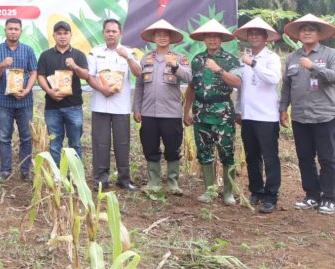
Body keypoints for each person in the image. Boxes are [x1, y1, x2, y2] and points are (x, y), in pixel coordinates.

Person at [280, 14, 335, 215]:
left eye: (311, 29)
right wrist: (282, 108)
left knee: (328, 158)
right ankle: (312, 195)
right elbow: (286, 86)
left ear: (319, 33)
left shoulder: (330, 54)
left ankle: (329, 198)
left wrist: (314, 67)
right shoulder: (292, 58)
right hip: (300, 116)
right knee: (304, 157)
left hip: (325, 115)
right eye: (303, 29)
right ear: (299, 35)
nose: (307, 32)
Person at [183, 19, 242, 204]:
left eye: (216, 36)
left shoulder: (230, 60)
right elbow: (192, 87)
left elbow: (237, 82)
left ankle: (228, 192)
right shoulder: (197, 60)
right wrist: (186, 112)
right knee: (204, 152)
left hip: (222, 113)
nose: (213, 39)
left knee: (226, 153)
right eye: (209, 36)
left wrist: (219, 70)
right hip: (201, 112)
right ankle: (209, 190)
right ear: (204, 39)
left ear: (222, 39)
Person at [133, 19, 191, 195]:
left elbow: (189, 78)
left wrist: (175, 66)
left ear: (171, 38)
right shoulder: (146, 59)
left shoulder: (180, 58)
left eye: (166, 35)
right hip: (149, 111)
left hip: (171, 112)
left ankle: (173, 183)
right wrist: (137, 107)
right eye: (159, 34)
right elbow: (139, 85)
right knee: (150, 146)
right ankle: (154, 182)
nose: (162, 37)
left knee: (173, 147)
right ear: (154, 38)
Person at [233, 17, 283, 213]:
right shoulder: (243, 59)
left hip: (267, 117)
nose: (253, 36)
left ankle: (271, 195)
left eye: (258, 33)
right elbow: (241, 87)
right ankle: (256, 191)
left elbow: (273, 79)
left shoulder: (271, 58)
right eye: (250, 33)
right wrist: (239, 110)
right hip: (248, 116)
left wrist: (253, 63)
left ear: (266, 37)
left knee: (270, 158)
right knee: (252, 156)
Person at [86, 19, 142, 191]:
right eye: (108, 31)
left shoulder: (129, 52)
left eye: (114, 31)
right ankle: (101, 181)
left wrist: (127, 57)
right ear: (103, 33)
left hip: (121, 107)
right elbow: (89, 76)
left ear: (120, 33)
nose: (110, 34)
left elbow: (138, 73)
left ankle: (124, 180)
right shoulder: (95, 53)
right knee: (100, 144)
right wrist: (102, 89)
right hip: (100, 105)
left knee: (122, 143)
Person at [0, 18, 38, 181]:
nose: (13, 31)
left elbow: (33, 72)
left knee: (26, 137)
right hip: (4, 102)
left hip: (24, 101)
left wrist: (27, 90)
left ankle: (25, 171)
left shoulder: (28, 50)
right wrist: (2, 65)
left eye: (16, 29)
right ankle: (5, 170)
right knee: (5, 137)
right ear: (5, 30)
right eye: (10, 28)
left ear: (21, 31)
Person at [36, 21, 88, 167]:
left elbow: (85, 75)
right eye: (59, 33)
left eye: (65, 33)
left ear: (71, 35)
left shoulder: (78, 55)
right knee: (54, 144)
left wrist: (74, 66)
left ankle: (75, 174)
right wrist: (49, 91)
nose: (62, 36)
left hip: (74, 106)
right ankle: (57, 176)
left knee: (75, 143)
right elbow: (40, 75)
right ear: (54, 36)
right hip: (52, 107)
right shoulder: (46, 55)